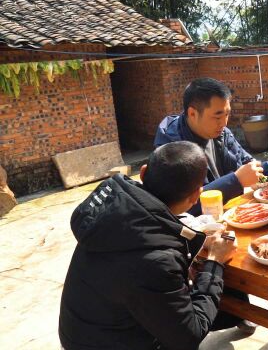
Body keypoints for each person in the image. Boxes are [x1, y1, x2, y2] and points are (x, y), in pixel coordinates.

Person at [59, 141, 242, 350]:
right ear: (196, 196)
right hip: (112, 342)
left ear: (143, 173)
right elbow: (189, 337)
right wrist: (214, 262)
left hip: (80, 336)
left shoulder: (113, 213)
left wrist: (190, 254)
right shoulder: (158, 260)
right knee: (214, 290)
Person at [155, 78, 268, 214]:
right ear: (192, 113)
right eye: (217, 116)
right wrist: (236, 181)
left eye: (227, 114)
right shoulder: (171, 149)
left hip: (228, 211)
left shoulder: (222, 134)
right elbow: (182, 207)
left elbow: (246, 163)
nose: (224, 123)